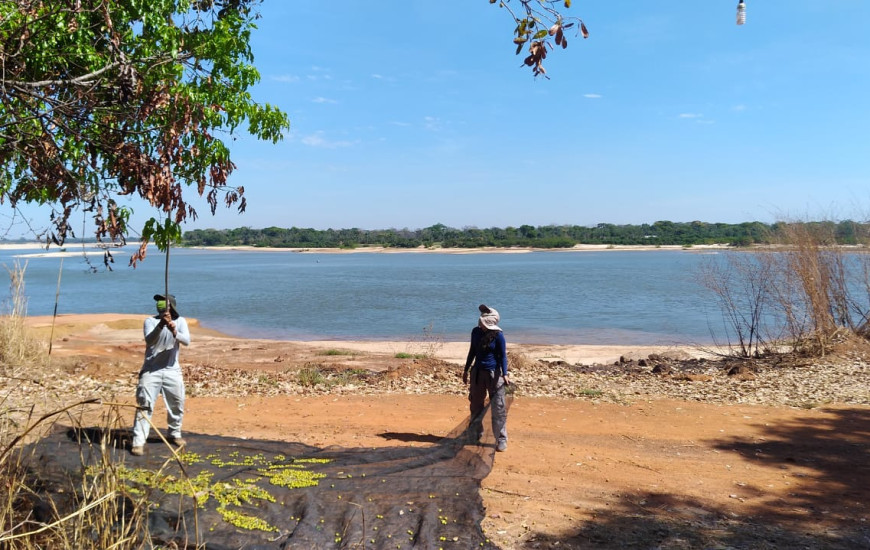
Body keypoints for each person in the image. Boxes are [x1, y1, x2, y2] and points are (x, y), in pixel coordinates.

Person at [130, 294, 191, 456]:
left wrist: (174, 331)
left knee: (177, 403)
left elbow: (186, 341)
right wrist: (161, 325)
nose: (159, 305)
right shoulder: (150, 321)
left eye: (163, 303)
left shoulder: (181, 321)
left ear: (171, 307)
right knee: (144, 404)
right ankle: (138, 441)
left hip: (172, 370)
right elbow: (150, 340)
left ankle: (174, 433)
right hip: (151, 370)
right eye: (159, 303)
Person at [463, 304, 510, 452]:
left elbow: (503, 356)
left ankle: (501, 439)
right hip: (477, 372)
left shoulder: (498, 336)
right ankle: (477, 433)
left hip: (493, 374)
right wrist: (466, 370)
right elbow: (472, 351)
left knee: (498, 407)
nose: (481, 324)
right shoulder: (475, 332)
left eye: (484, 322)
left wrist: (505, 374)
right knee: (476, 404)